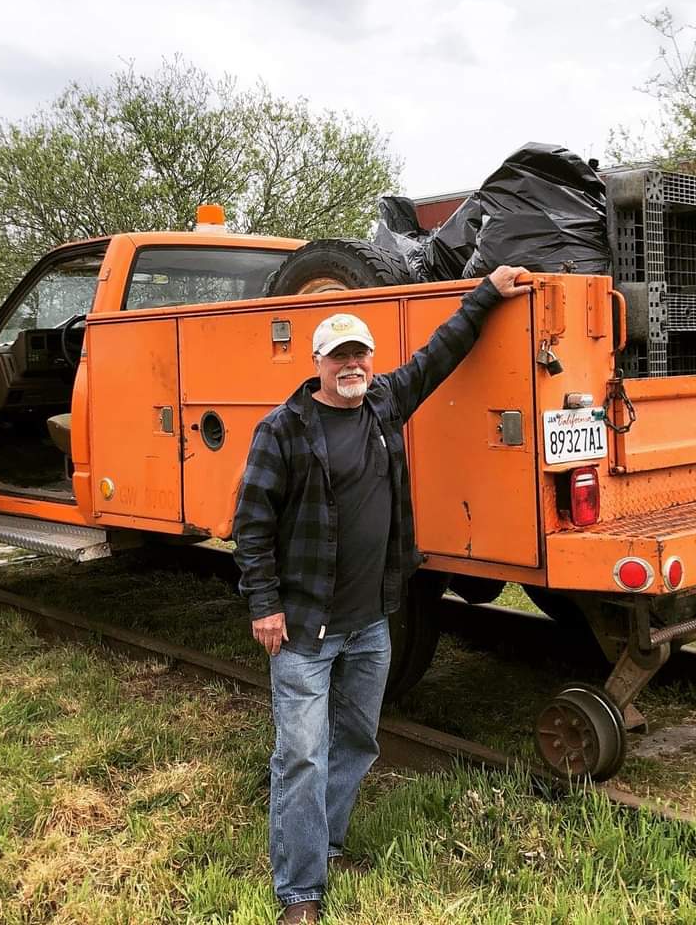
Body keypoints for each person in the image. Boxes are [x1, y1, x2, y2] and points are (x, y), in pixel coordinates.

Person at [233, 265, 528, 924]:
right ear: (317, 363)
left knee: (359, 740)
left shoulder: (383, 405)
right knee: (302, 755)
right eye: (339, 354)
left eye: (359, 353)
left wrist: (487, 294)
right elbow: (249, 525)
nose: (351, 365)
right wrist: (264, 605)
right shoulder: (282, 431)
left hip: (371, 626)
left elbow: (439, 354)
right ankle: (300, 892)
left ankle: (327, 844)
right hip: (305, 627)